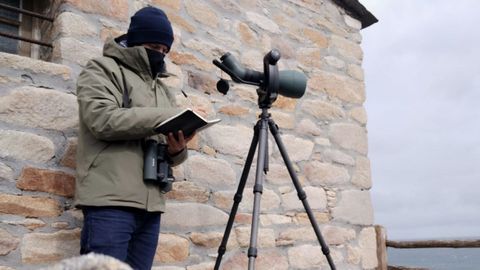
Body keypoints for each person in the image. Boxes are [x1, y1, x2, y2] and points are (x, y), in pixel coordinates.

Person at [74, 6, 193, 270]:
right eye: (154, 47)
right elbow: (102, 119)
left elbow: (163, 145)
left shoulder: (162, 89)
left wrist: (177, 149)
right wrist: (163, 118)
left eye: (165, 51)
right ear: (135, 41)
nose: (159, 55)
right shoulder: (102, 69)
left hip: (151, 206)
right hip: (110, 202)